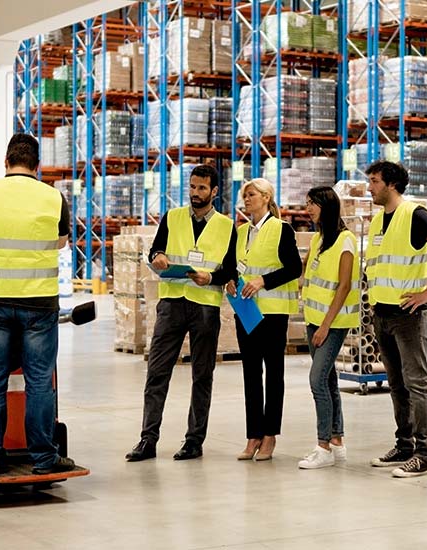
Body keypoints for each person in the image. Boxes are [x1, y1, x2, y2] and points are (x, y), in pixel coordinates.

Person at [0, 133, 74, 475]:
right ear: (37, 166)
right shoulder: (54, 197)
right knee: (39, 381)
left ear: (6, 162)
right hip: (39, 302)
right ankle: (42, 460)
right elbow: (62, 241)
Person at [126, 164, 237, 462]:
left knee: (202, 375)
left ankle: (194, 441)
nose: (195, 193)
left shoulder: (227, 226)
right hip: (172, 303)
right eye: (192, 187)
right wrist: (158, 256)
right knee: (157, 372)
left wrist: (211, 278)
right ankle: (148, 440)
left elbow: (231, 269)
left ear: (214, 191)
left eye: (202, 188)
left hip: (205, 307)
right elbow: (155, 251)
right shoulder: (172, 217)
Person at [364, 160, 427, 478]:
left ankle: (422, 453)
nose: (370, 187)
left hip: (409, 314)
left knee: (416, 383)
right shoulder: (378, 221)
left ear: (391, 184)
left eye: (374, 181)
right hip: (383, 313)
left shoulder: (415, 215)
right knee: (397, 384)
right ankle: (403, 445)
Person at [228, 178, 302, 461]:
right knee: (250, 374)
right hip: (245, 311)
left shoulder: (281, 229)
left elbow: (294, 268)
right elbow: (231, 266)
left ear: (266, 197)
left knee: (273, 374)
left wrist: (263, 281)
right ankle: (253, 435)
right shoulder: (241, 231)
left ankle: (270, 435)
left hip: (272, 313)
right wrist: (231, 281)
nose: (246, 199)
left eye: (252, 194)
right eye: (244, 195)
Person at [297, 186, 360, 470]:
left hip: (333, 323)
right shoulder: (319, 239)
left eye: (314, 204)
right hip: (313, 319)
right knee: (329, 379)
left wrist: (324, 326)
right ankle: (337, 442)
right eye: (307, 203)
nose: (308, 208)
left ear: (328, 206)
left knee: (317, 380)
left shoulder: (345, 240)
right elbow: (305, 276)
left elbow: (344, 286)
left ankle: (322, 446)